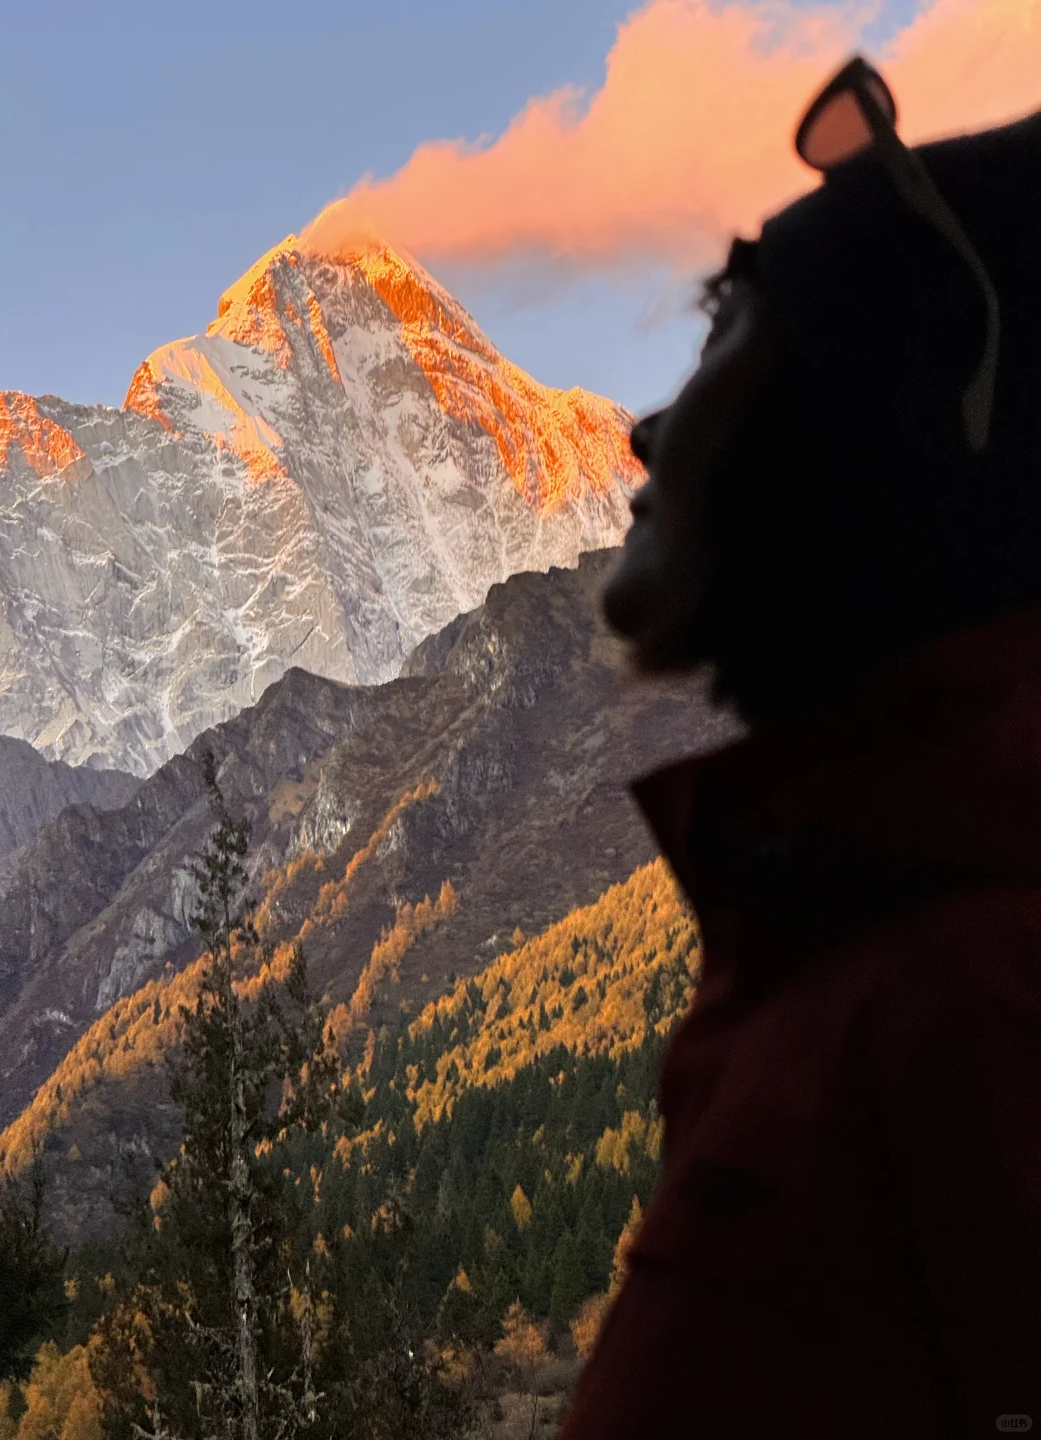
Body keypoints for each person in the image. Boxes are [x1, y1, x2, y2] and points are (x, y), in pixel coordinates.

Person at [558, 56, 1041, 1439]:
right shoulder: (852, 916)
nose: (646, 426)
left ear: (866, 431)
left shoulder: (973, 998)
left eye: (728, 342)